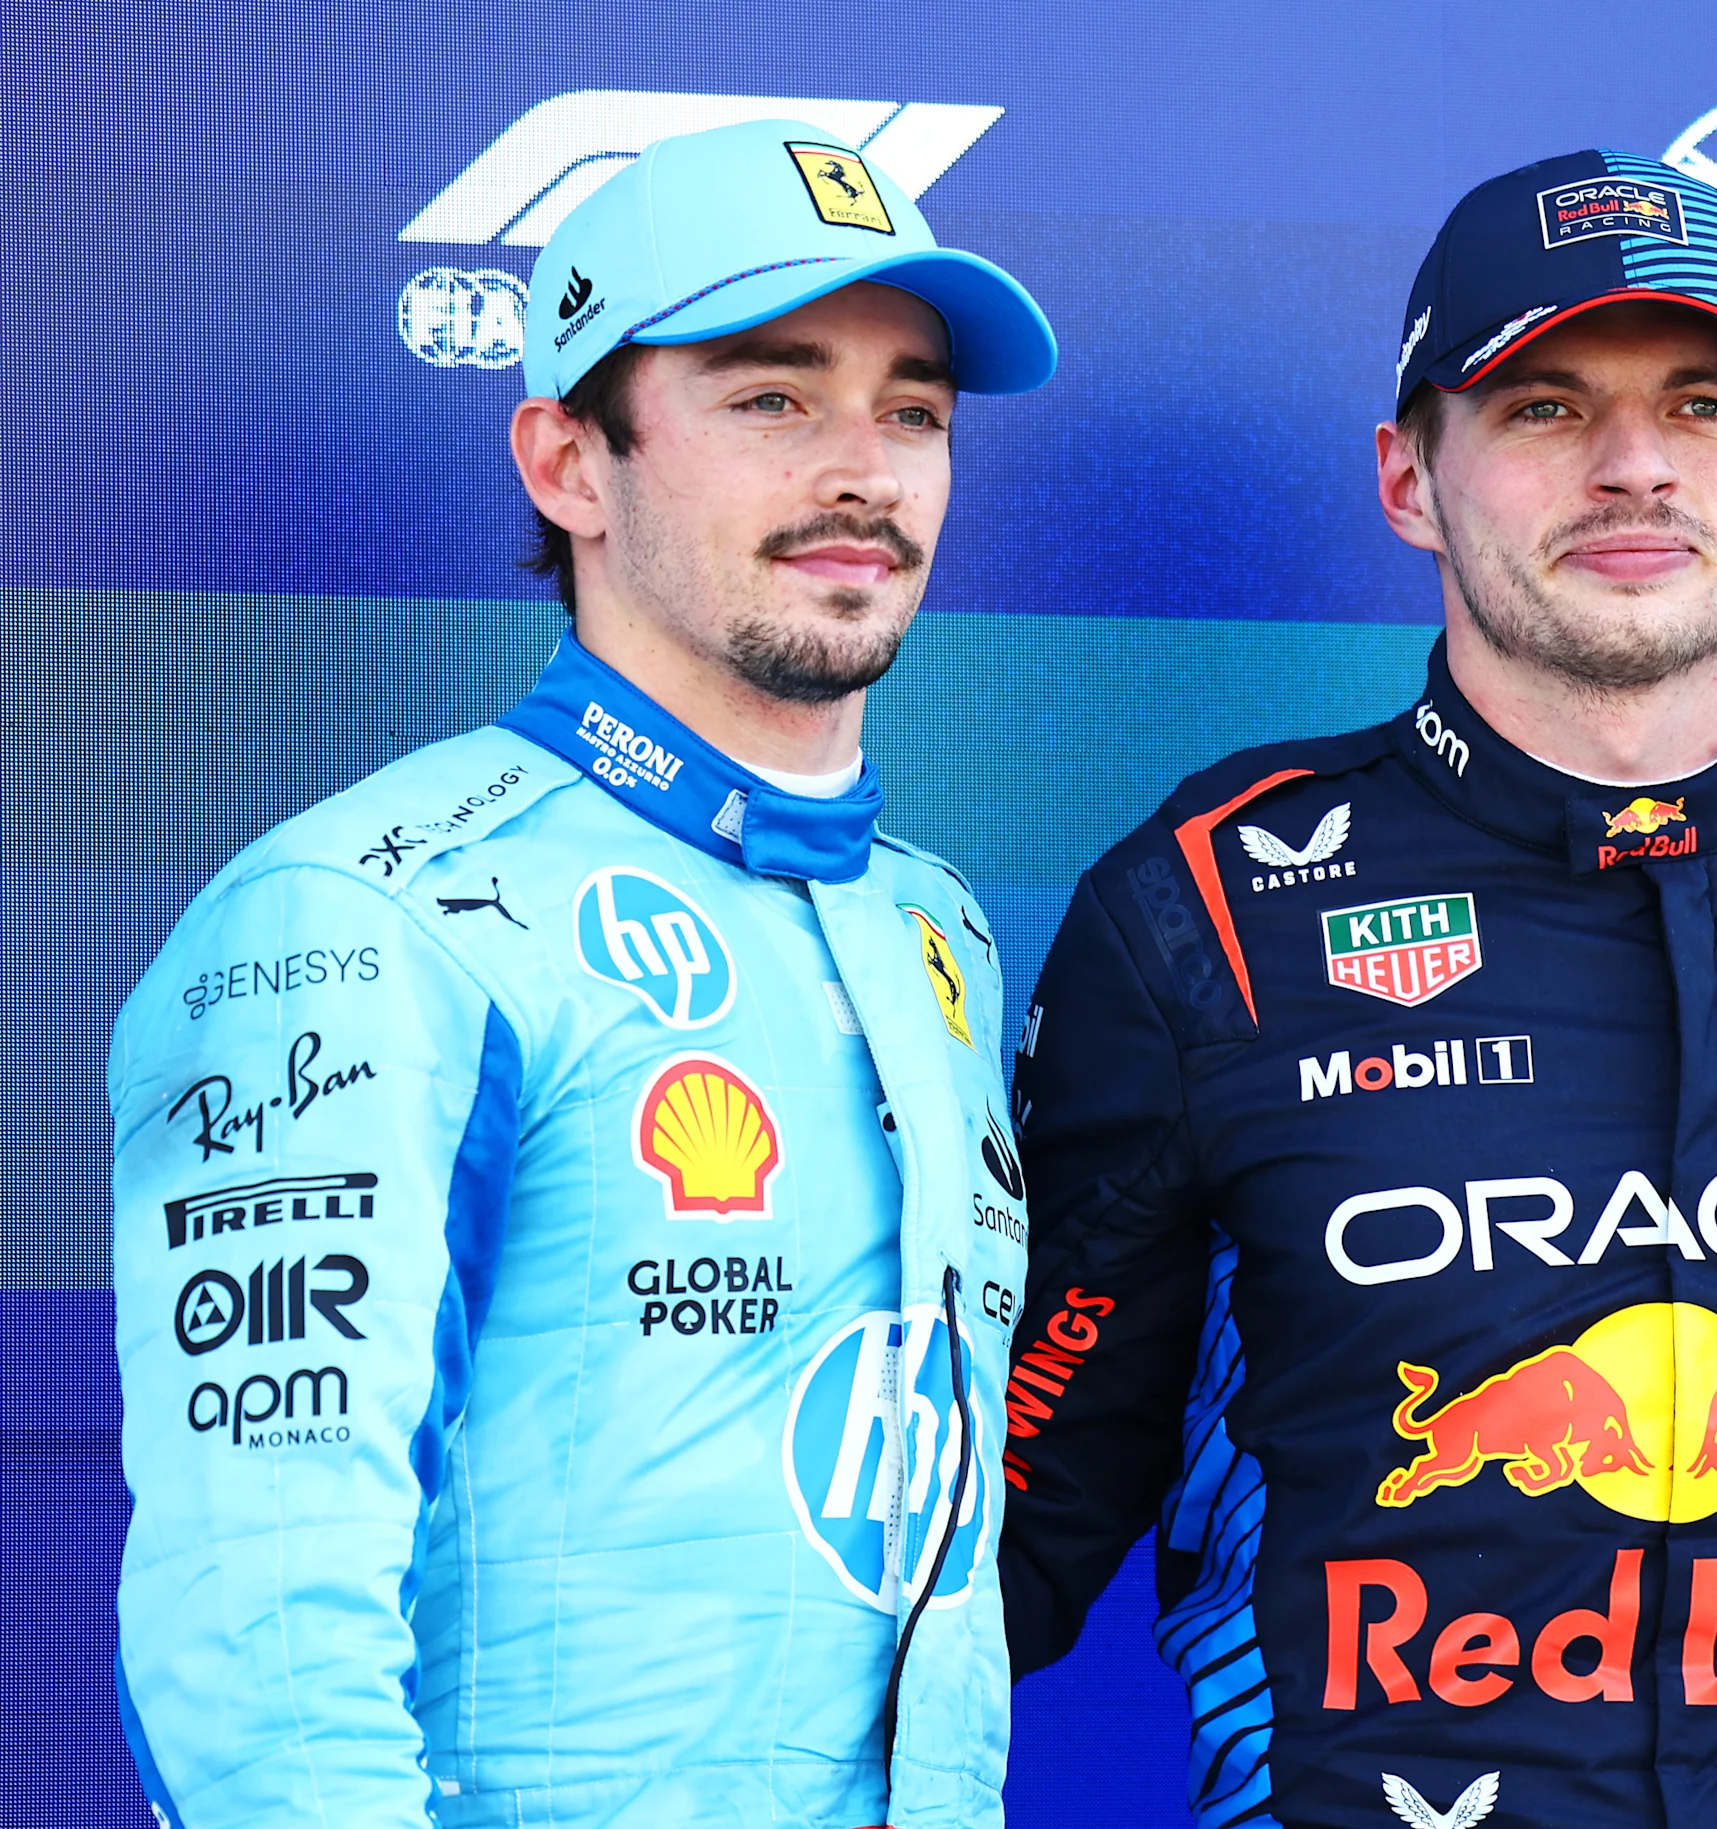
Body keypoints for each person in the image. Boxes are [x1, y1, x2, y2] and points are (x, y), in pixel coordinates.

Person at [998, 150, 1717, 1828]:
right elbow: (1012, 1509)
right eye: (1545, 408)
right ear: (1411, 475)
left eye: (1703, 405)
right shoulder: (1206, 901)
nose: (1634, 467)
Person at [110, 118, 1055, 1828]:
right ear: (570, 464)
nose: (866, 467)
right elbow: (256, 1623)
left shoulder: (939, 930)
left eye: (911, 409)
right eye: (772, 397)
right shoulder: (361, 914)